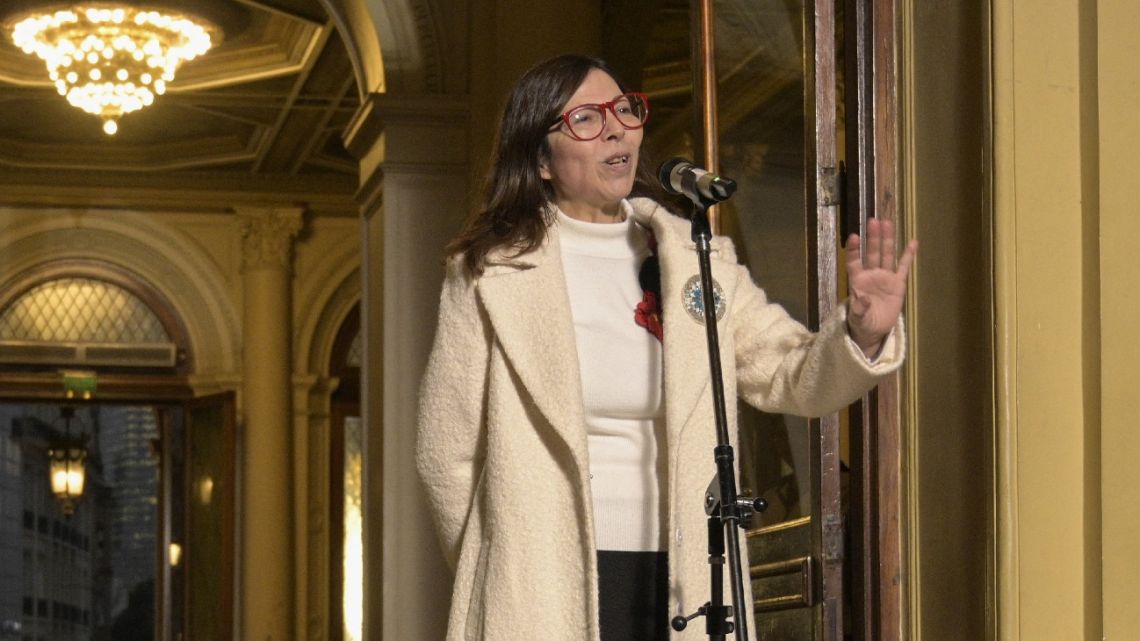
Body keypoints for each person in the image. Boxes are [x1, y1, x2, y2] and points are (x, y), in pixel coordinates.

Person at [416, 54, 917, 641]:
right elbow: (443, 453)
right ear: (541, 160)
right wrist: (501, 565)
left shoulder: (693, 257)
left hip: (686, 571)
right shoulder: (488, 272)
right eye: (585, 118)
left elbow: (788, 372)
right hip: (542, 578)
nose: (616, 128)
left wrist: (862, 331)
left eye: (624, 109)